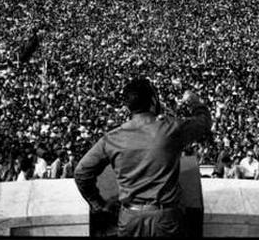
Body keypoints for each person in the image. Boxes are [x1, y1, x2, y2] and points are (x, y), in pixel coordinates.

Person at [74, 78, 211, 237]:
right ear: (153, 101)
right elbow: (204, 122)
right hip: (166, 219)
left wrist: (98, 204)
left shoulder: (112, 138)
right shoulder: (171, 129)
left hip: (130, 218)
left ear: (128, 107)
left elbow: (81, 173)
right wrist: (195, 102)